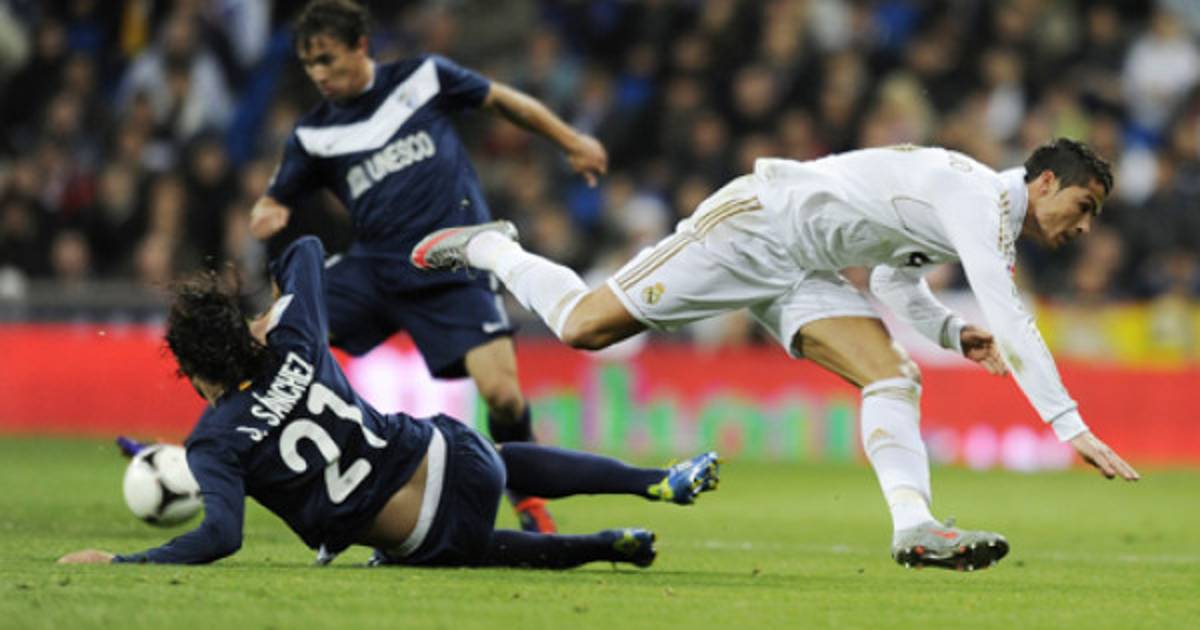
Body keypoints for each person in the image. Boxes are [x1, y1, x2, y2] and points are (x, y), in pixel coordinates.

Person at [412, 138, 1141, 572]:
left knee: (895, 377)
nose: (1084, 227)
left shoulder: (982, 212)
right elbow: (1009, 312)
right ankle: (493, 248)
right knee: (584, 326)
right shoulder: (977, 199)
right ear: (1046, 182)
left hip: (803, 270)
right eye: (1083, 207)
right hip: (755, 227)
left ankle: (914, 527)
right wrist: (1069, 424)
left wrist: (951, 333)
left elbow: (894, 279)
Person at [58, 236, 719, 568]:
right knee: (501, 457)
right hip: (453, 454)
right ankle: (653, 481)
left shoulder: (214, 440)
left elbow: (221, 533)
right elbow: (305, 249)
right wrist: (265, 320)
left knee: (475, 549)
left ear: (194, 372)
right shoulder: (294, 338)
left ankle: (604, 546)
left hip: (424, 530)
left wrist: (123, 561)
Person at [248, 0, 609, 533]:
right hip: (374, 270)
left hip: (452, 261)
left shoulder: (423, 77)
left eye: (327, 59)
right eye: (309, 64)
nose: (319, 74)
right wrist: (269, 207)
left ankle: (528, 500)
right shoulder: (313, 134)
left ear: (360, 46)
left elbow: (503, 101)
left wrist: (571, 140)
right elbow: (276, 194)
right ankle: (212, 455)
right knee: (267, 336)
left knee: (504, 395)